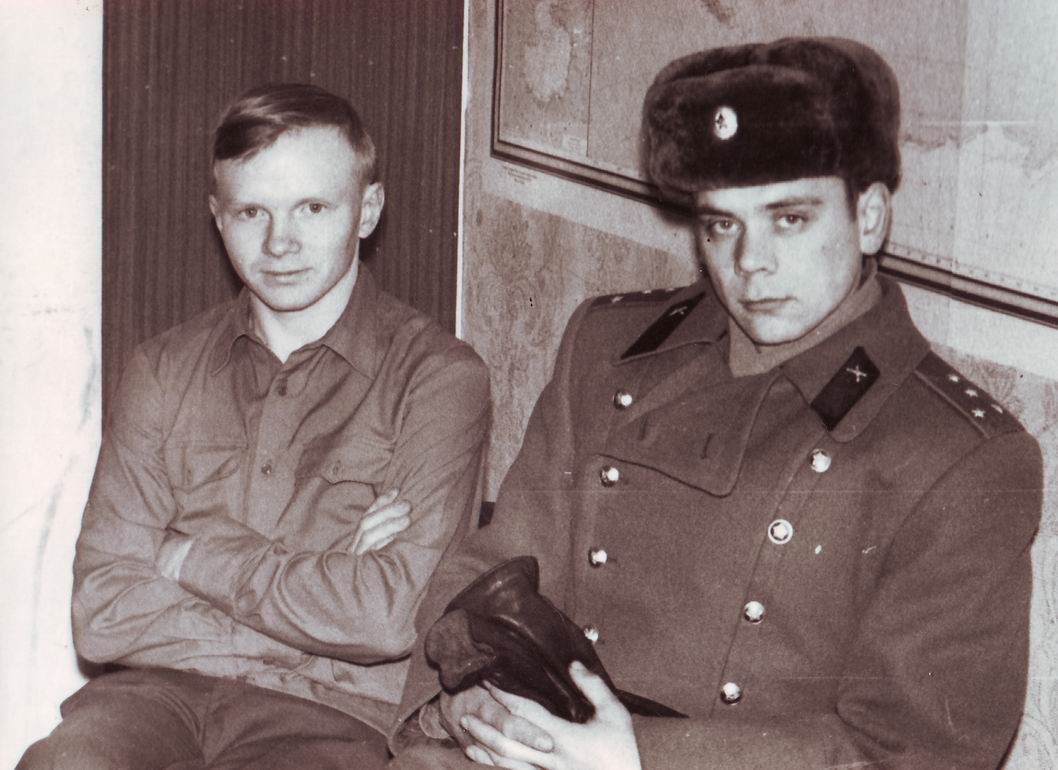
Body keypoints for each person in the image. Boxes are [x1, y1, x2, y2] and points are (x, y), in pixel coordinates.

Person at [386, 37, 1043, 769]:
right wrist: (463, 697)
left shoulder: (959, 457)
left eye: (789, 219)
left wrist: (642, 758)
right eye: (721, 224)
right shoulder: (609, 348)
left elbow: (912, 751)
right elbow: (495, 564)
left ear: (869, 218)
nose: (750, 262)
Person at [18, 83, 489, 769]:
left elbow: (389, 617)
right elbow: (103, 613)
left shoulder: (440, 379)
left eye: (313, 208)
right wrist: (330, 587)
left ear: (367, 211)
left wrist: (188, 557)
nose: (279, 243)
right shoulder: (162, 370)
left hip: (332, 716)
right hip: (155, 697)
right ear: (218, 217)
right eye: (251, 212)